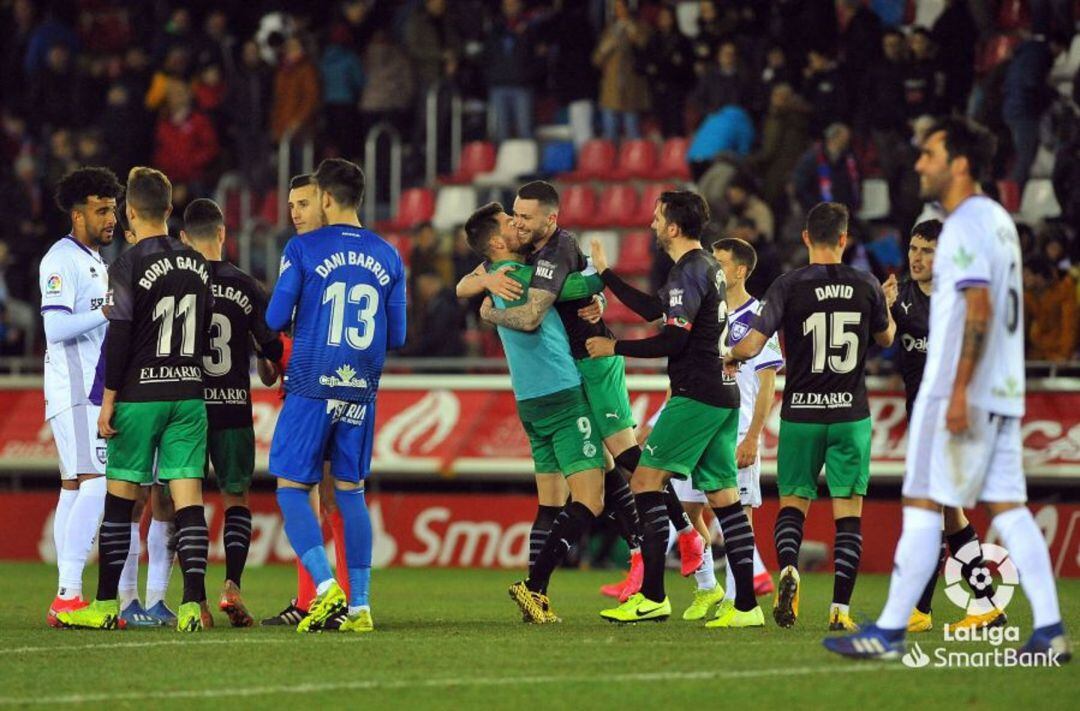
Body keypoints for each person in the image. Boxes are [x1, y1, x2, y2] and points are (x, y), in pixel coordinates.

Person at [826, 117, 1071, 662]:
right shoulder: (999, 222)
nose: (919, 164)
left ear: (958, 163)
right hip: (1001, 389)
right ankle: (1050, 628)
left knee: (922, 502)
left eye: (930, 154)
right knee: (1007, 507)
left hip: (962, 391)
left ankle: (890, 630)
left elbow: (978, 310)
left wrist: (957, 392)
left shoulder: (961, 226)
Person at [458, 181, 700, 605]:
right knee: (606, 467)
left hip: (592, 364)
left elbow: (554, 299)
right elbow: (472, 284)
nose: (517, 222)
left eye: (523, 216)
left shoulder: (553, 253)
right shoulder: (520, 263)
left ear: (549, 219)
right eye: (512, 217)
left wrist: (491, 306)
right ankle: (644, 552)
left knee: (621, 460)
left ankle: (681, 536)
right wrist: (483, 281)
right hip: (573, 373)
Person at [588, 191, 765, 628]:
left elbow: (675, 340)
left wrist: (616, 346)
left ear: (672, 227)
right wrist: (608, 274)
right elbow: (655, 309)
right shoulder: (703, 268)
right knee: (725, 498)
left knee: (646, 480)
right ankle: (746, 607)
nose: (650, 224)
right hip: (723, 394)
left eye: (656, 217)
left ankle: (652, 596)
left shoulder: (690, 271)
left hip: (697, 394)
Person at [727, 201, 896, 632]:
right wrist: (887, 304)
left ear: (806, 238)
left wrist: (729, 354)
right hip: (849, 414)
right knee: (848, 513)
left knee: (793, 504)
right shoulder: (867, 284)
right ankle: (840, 609)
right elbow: (887, 336)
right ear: (844, 239)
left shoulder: (788, 285)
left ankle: (788, 568)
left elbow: (754, 342)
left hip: (800, 413)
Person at [58, 167, 214, 632]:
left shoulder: (126, 264)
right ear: (169, 209)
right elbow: (204, 331)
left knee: (121, 501)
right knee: (188, 503)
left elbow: (119, 337)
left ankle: (106, 606)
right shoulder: (197, 263)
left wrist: (108, 399)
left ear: (129, 211)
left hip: (140, 394)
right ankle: (191, 606)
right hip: (188, 393)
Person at [266, 158, 406, 634]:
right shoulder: (389, 255)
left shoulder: (303, 247)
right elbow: (399, 334)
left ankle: (326, 589)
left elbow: (274, 316)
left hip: (310, 380)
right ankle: (361, 607)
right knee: (350, 491)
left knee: (290, 489)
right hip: (361, 387)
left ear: (326, 198)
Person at [464, 202, 606, 623]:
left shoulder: (491, 279)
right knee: (590, 501)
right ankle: (533, 586)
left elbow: (465, 285)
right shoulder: (527, 276)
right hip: (563, 393)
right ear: (496, 242)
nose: (518, 225)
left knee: (550, 504)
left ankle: (535, 602)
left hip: (528, 401)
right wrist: (600, 274)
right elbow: (584, 286)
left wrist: (484, 300)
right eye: (510, 223)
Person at [883, 219, 1004, 633]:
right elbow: (884, 342)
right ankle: (987, 604)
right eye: (914, 248)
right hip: (922, 420)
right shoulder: (902, 298)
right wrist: (883, 311)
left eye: (927, 251)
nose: (917, 257)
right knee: (951, 516)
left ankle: (919, 609)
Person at [180, 198, 283, 627]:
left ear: (184, 239)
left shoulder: (178, 283)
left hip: (185, 407)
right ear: (223, 233)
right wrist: (266, 359)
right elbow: (271, 359)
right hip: (233, 408)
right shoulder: (246, 286)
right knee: (236, 498)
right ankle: (232, 587)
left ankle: (195, 603)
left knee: (187, 502)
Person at [261, 174, 354, 628]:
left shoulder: (304, 255)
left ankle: (340, 598)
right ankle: (315, 597)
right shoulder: (353, 255)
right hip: (329, 383)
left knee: (320, 492)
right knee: (318, 494)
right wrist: (273, 352)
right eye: (291, 203)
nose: (294, 212)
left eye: (304, 203)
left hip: (322, 386)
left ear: (327, 203)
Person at [41, 167, 124, 627]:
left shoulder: (96, 260)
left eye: (113, 208)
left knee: (74, 487)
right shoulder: (61, 260)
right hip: (75, 388)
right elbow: (54, 328)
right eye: (101, 210)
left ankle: (66, 595)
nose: (111, 218)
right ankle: (68, 596)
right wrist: (106, 311)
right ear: (78, 216)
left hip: (88, 387)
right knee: (94, 482)